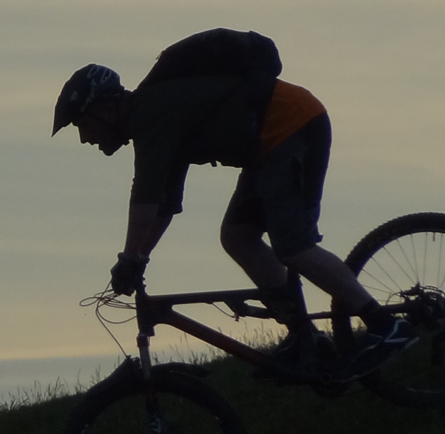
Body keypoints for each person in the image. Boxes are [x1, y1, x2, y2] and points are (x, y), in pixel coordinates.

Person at [51, 35, 415, 376]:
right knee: (237, 237)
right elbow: (164, 205)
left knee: (294, 246)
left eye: (81, 124)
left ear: (104, 109)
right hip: (267, 145)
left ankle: (387, 326)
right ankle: (306, 338)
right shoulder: (156, 115)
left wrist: (130, 258)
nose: (84, 138)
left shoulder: (150, 113)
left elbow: (145, 196)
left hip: (292, 125)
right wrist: (139, 259)